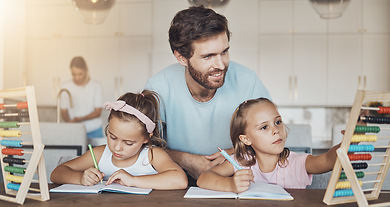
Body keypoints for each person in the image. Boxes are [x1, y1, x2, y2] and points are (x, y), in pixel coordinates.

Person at [144, 6, 271, 182]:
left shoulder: (248, 81)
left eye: (224, 52)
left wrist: (236, 152)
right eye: (208, 56)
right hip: (174, 183)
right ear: (181, 58)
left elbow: (274, 135)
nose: (220, 64)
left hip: (237, 182)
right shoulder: (158, 88)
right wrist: (187, 161)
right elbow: (140, 146)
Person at [51, 90, 188, 190]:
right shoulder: (99, 154)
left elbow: (180, 180)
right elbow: (57, 173)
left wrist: (133, 180)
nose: (117, 148)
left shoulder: (152, 156)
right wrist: (80, 178)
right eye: (112, 137)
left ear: (146, 138)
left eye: (128, 143)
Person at [197, 98, 340, 192]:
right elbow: (203, 179)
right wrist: (230, 185)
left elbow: (328, 160)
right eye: (264, 127)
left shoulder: (297, 163)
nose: (275, 130)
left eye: (277, 122)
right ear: (246, 139)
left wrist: (347, 143)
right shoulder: (242, 161)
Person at [60, 56, 103, 139]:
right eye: (74, 74)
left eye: (80, 74)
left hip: (94, 130)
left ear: (86, 70)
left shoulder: (96, 86)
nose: (77, 78)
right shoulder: (65, 87)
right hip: (75, 131)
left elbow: (97, 112)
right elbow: (64, 111)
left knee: (95, 152)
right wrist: (70, 123)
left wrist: (80, 119)